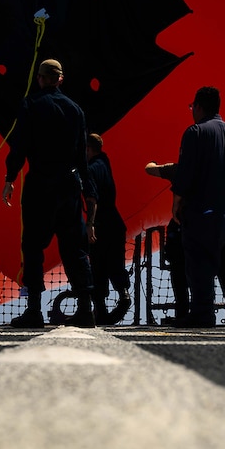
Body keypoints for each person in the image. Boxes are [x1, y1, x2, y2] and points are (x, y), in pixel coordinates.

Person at [2, 59, 97, 328]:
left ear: (40, 78)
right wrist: (88, 191)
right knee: (75, 248)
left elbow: (19, 146)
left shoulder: (30, 104)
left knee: (33, 245)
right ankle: (85, 308)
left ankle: (34, 309)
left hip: (40, 185)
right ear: (60, 79)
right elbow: (81, 157)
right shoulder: (76, 110)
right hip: (69, 185)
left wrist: (10, 178)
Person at [168, 86, 225, 327]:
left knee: (200, 262)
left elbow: (186, 171)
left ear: (197, 106)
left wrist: (177, 201)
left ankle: (202, 313)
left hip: (205, 211)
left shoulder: (195, 132)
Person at [85, 133, 131, 325]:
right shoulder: (105, 165)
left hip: (102, 226)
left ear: (88, 149)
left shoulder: (92, 169)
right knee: (114, 265)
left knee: (98, 267)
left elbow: (92, 199)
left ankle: (103, 309)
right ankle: (122, 297)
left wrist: (90, 224)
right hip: (115, 224)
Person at [145, 161, 189, 325]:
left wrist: (153, 163)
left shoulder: (178, 169)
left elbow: (150, 170)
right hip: (204, 226)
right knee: (202, 271)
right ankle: (203, 311)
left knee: (178, 273)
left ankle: (183, 312)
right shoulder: (208, 167)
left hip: (181, 226)